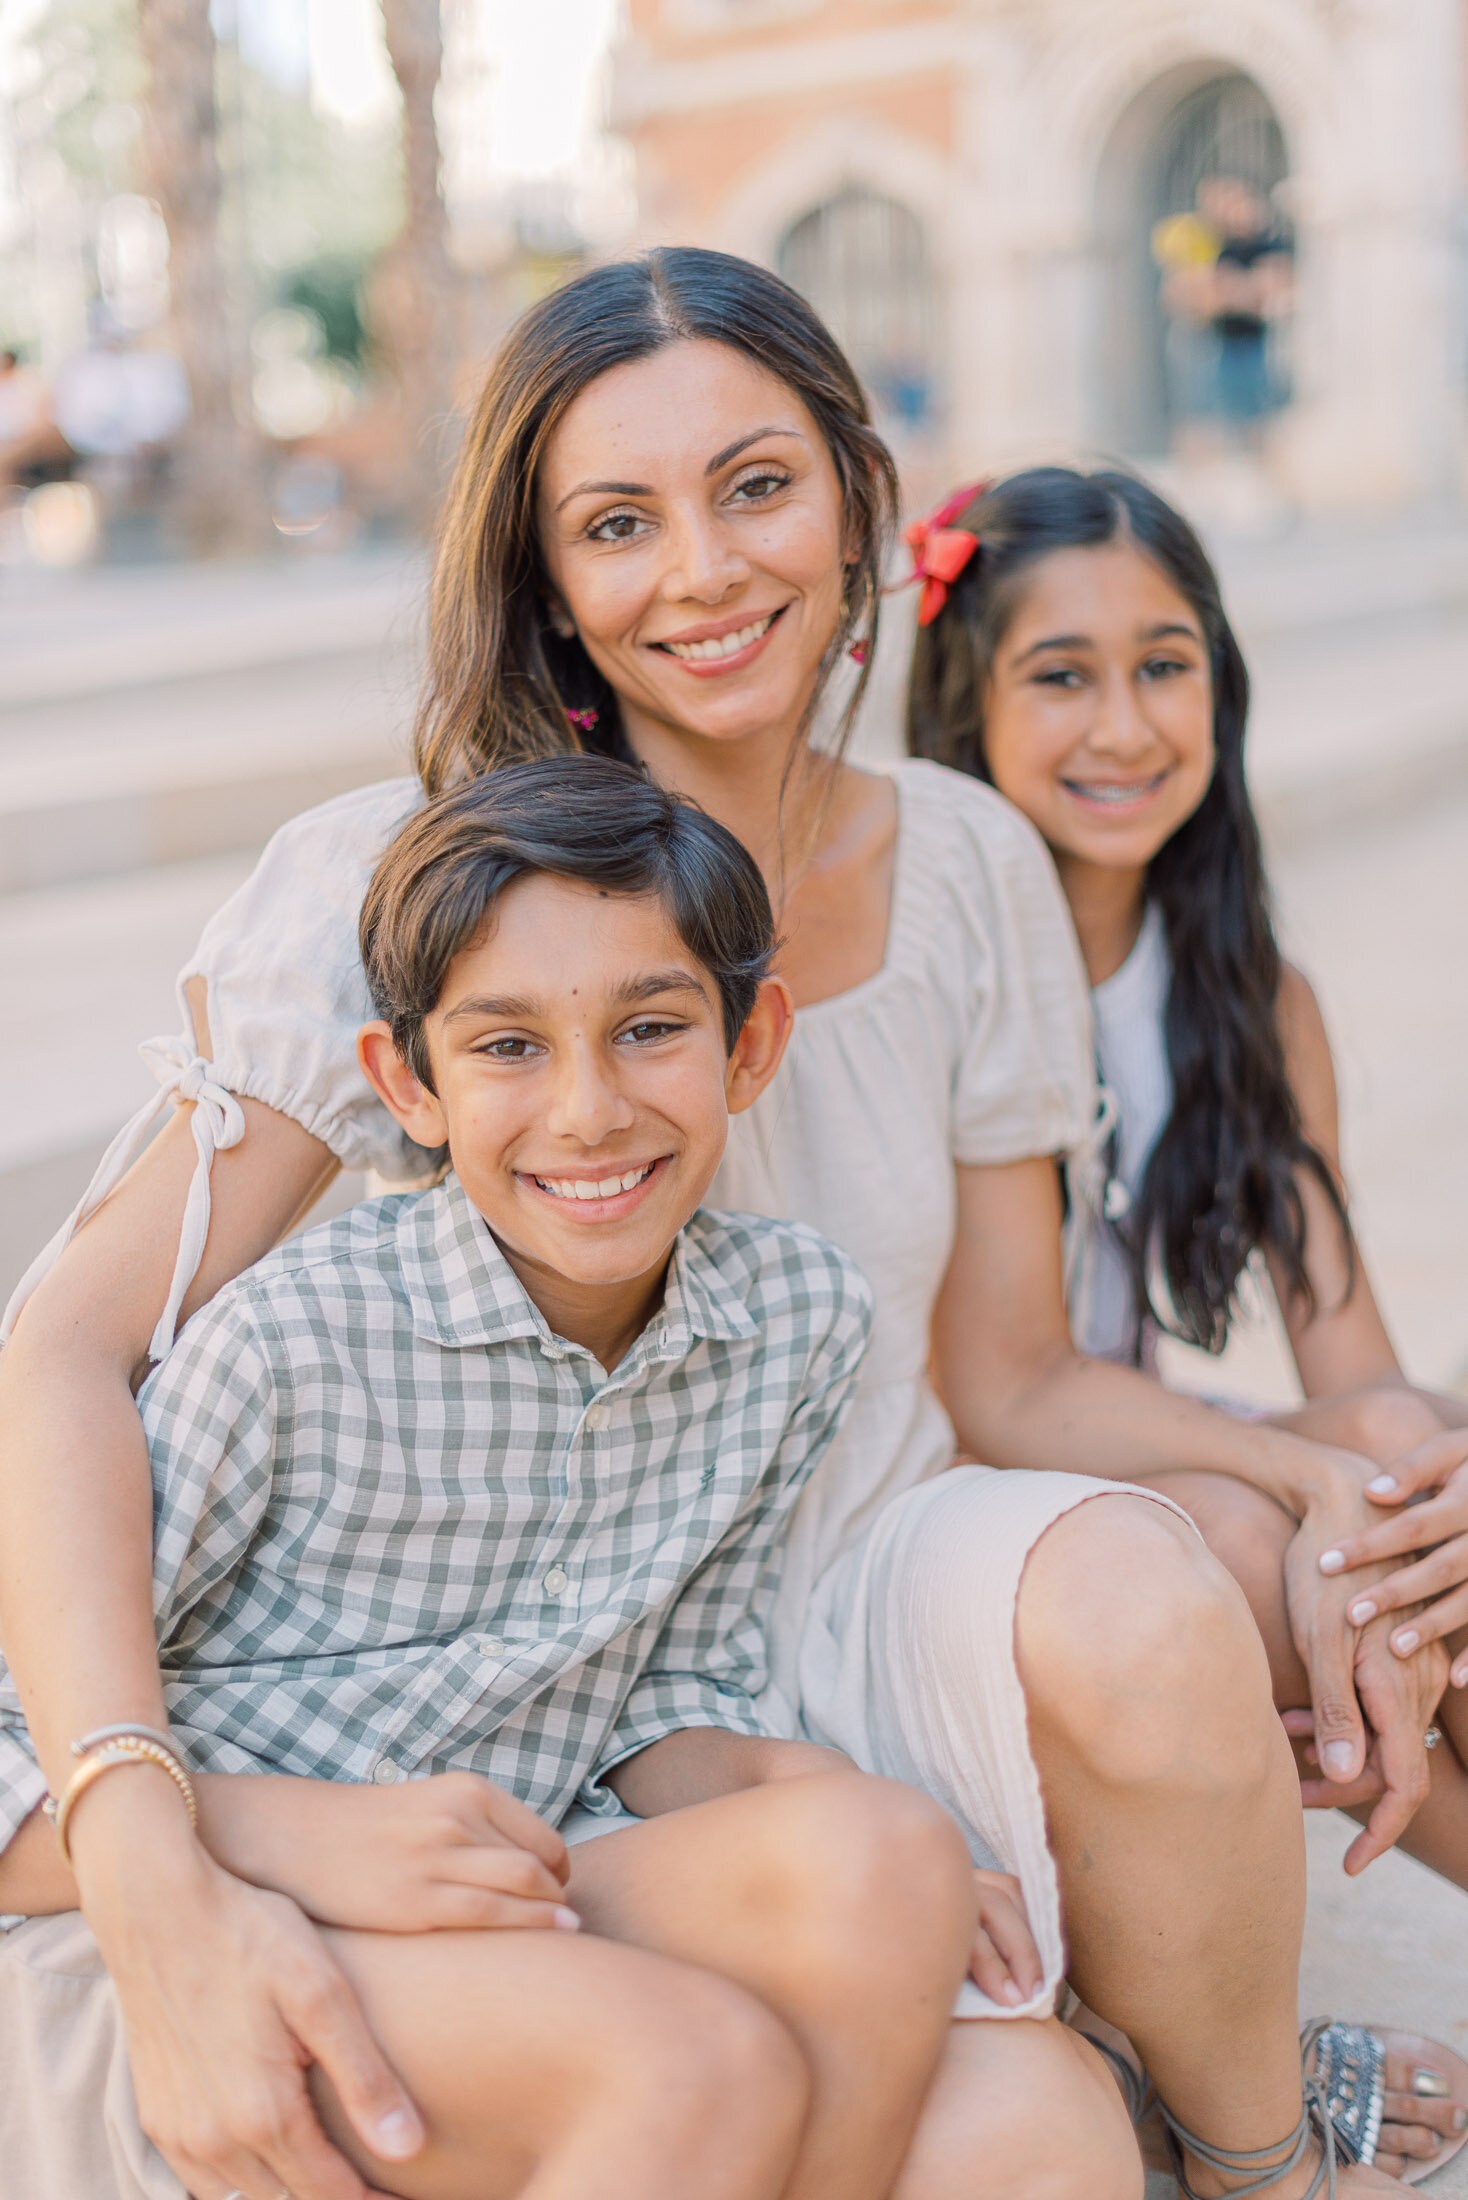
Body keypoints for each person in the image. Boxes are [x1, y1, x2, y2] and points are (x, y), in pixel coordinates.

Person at [0, 249, 1452, 2198]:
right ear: (545, 578)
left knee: (1184, 1559)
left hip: (850, 1571)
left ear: (856, 492)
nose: (700, 570)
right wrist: (137, 1833)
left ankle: (1243, 2128)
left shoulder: (959, 856)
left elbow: (1012, 1371)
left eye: (753, 485)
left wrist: (1305, 1478)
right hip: (557, 1651)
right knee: (1024, 2143)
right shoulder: (411, 880)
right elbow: (69, 1346)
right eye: (616, 521)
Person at [0, 754, 1138, 2200]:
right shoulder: (291, 1348)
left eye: (651, 1027)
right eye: (509, 1048)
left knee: (1017, 2071)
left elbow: (662, 1691)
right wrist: (298, 1837)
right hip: (182, 1918)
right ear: (405, 1083)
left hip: (499, 1875)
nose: (590, 1112)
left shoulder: (794, 1323)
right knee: (696, 2069)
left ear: (751, 1043)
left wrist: (852, 1836)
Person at [906, 464, 1468, 1916]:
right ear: (968, 705)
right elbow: (993, 1388)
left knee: (1416, 1471)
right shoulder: (932, 968)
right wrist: (1321, 1483)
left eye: (1166, 666)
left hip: (1131, 1442)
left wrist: (1421, 1496)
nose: (1125, 724)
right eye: (1061, 676)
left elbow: (1355, 1362)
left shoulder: (1254, 997)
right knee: (1248, 1539)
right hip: (958, 1479)